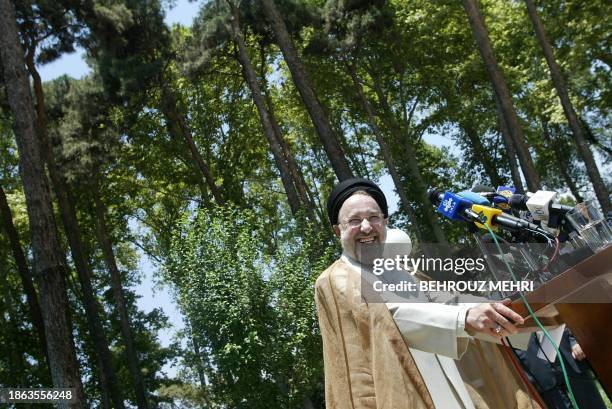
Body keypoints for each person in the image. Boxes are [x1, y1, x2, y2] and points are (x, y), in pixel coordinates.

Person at [315, 178, 538, 409]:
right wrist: (463, 319)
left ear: (385, 222)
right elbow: (384, 317)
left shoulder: (400, 273)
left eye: (373, 217)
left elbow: (446, 300)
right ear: (337, 230)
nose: (366, 227)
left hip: (450, 389)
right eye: (354, 221)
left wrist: (524, 309)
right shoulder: (333, 279)